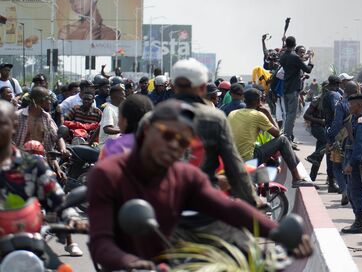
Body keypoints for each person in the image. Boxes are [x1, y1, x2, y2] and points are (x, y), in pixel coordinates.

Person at [87, 100, 313, 271]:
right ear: (146, 132)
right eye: (167, 136)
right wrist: (134, 262)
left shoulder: (183, 175)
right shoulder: (108, 174)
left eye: (183, 140)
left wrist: (277, 231)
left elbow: (227, 208)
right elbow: (101, 244)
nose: (175, 145)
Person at [0, 101, 85, 257]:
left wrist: (75, 222)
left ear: (14, 127)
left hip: (27, 248)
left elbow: (58, 201)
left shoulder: (33, 167)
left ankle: (70, 243)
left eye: (2, 124)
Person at [169, 58, 258, 205]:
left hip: (165, 202)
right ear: (203, 88)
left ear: (173, 86)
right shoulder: (215, 118)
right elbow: (234, 165)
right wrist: (253, 199)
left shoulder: (153, 117)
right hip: (204, 201)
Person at [229, 89, 314, 188]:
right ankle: (296, 178)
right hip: (248, 160)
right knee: (284, 140)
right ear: (258, 101)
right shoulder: (258, 115)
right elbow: (277, 134)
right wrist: (267, 113)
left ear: (244, 100)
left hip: (232, 159)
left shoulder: (233, 113)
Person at [340, 93, 362, 234]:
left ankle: (359, 223)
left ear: (358, 105)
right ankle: (360, 221)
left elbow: (359, 147)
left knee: (356, 192)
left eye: (351, 104)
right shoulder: (356, 119)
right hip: (351, 157)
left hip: (356, 161)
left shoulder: (360, 122)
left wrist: (351, 164)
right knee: (353, 192)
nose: (349, 106)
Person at [279, 36, 314, 144]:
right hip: (293, 89)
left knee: (288, 114)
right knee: (291, 115)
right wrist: (311, 59)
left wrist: (306, 56)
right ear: (294, 45)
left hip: (285, 89)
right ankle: (287, 138)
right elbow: (307, 69)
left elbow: (298, 60)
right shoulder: (294, 57)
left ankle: (288, 136)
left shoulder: (283, 56)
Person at [100, 94, 153, 160]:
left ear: (125, 121)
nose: (118, 124)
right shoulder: (158, 148)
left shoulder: (111, 149)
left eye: (119, 117)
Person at [321, 76, 344, 192]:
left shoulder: (327, 95)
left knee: (331, 156)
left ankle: (332, 183)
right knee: (335, 158)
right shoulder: (334, 95)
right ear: (338, 84)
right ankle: (335, 183)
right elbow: (337, 112)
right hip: (335, 130)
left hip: (329, 127)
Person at [303, 91, 327, 183]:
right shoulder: (318, 100)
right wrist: (320, 121)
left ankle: (312, 178)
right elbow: (306, 115)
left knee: (320, 153)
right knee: (328, 143)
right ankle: (313, 156)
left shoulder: (331, 99)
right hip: (318, 127)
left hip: (324, 128)